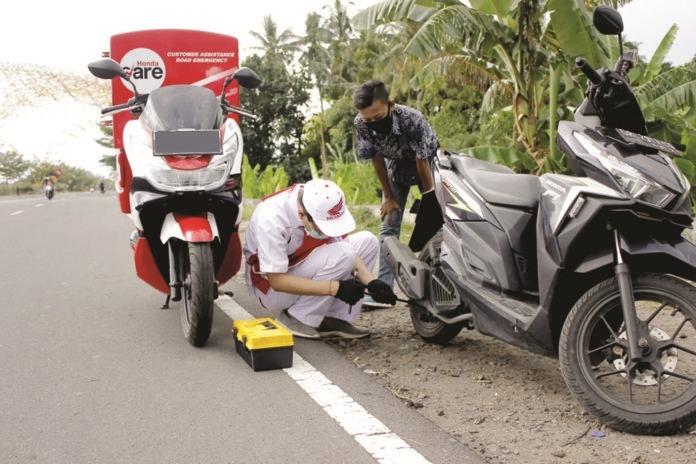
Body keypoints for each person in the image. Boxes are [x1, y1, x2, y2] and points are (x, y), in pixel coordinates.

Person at [243, 179, 397, 339]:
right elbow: (277, 281)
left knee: (368, 241)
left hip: (299, 265)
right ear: (301, 215)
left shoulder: (319, 201)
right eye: (322, 228)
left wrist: (372, 282)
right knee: (343, 254)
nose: (328, 232)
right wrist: (336, 289)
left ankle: (334, 318)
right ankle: (297, 318)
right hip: (269, 288)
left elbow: (345, 246)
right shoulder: (271, 219)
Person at [353, 80, 439, 308]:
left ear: (390, 105)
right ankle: (383, 291)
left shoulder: (412, 119)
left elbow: (422, 161)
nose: (372, 123)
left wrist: (430, 198)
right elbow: (376, 158)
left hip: (428, 166)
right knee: (388, 224)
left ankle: (435, 287)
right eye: (367, 119)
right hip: (397, 167)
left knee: (436, 226)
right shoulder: (361, 124)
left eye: (377, 117)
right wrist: (389, 197)